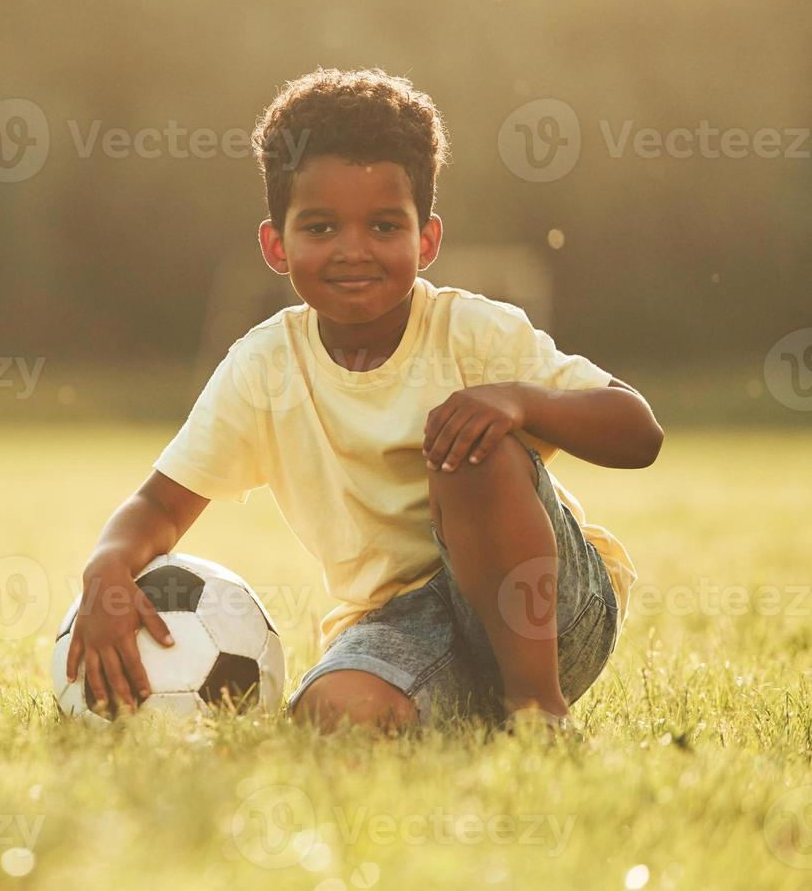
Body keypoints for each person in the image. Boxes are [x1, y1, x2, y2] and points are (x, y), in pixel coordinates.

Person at [63, 67, 663, 732]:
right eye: (320, 228)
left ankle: (536, 714)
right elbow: (160, 503)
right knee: (330, 718)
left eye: (383, 226)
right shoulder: (264, 368)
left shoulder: (472, 332)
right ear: (276, 246)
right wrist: (107, 566)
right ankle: (466, 713)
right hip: (397, 629)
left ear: (426, 240)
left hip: (550, 621)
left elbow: (639, 432)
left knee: (468, 446)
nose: (354, 250)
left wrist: (520, 401)